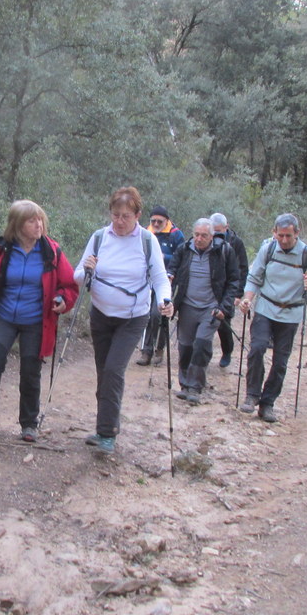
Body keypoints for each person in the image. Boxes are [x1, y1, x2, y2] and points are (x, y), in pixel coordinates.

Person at [0, 200, 78, 441]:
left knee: (30, 369)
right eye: (31, 220)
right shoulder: (2, 250)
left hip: (36, 319)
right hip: (4, 316)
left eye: (40, 219)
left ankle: (29, 424)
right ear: (17, 225)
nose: (38, 224)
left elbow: (69, 285)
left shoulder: (51, 251)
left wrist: (62, 299)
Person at [74, 187, 173, 453]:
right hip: (101, 315)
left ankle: (107, 434)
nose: (119, 221)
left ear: (138, 215)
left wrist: (166, 301)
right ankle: (104, 425)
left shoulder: (146, 241)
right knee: (102, 371)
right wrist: (86, 271)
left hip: (132, 318)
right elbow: (78, 278)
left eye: (125, 216)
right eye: (115, 215)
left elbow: (160, 278)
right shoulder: (98, 238)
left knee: (113, 371)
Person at [238, 213, 307, 423]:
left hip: (291, 314)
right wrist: (247, 300)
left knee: (280, 362)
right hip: (265, 308)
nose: (284, 240)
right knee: (257, 348)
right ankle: (252, 395)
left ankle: (267, 404)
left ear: (297, 234)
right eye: (280, 235)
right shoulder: (268, 249)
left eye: (288, 236)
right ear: (274, 233)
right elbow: (254, 277)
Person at [168, 218, 241, 404]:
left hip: (211, 308)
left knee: (201, 345)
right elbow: (172, 269)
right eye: (196, 235)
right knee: (185, 346)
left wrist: (224, 307)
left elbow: (234, 281)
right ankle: (184, 384)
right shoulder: (184, 249)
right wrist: (169, 282)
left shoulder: (224, 251)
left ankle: (195, 387)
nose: (199, 239)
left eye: (204, 236)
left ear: (212, 236)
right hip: (187, 306)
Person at [136, 205, 184, 366]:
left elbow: (181, 257)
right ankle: (146, 351)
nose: (156, 224)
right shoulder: (145, 233)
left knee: (160, 314)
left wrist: (166, 259)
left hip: (167, 280)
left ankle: (160, 348)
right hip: (146, 280)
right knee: (147, 314)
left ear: (167, 220)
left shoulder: (176, 235)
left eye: (159, 221)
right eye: (153, 220)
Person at [209, 212, 248, 368]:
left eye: (219, 230)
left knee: (223, 324)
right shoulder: (207, 238)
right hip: (211, 288)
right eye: (214, 230)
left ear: (226, 227)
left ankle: (227, 352)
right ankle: (204, 355)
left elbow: (243, 268)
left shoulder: (236, 243)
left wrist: (238, 293)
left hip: (228, 289)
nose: (216, 234)